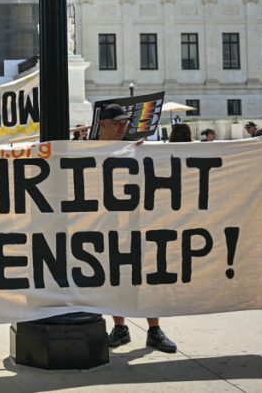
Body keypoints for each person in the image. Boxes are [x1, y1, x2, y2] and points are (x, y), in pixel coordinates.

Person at [98, 103, 177, 353]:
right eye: (117, 123)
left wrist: (145, 154)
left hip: (136, 223)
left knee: (144, 277)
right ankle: (120, 327)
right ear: (102, 124)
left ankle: (154, 330)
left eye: (125, 123)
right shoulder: (88, 150)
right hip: (104, 225)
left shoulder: (136, 149)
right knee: (112, 279)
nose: (123, 127)